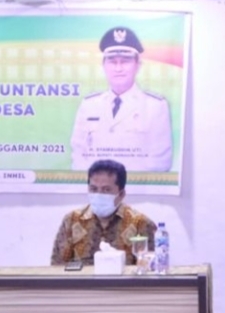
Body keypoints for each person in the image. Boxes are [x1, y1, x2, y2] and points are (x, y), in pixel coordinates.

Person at [70, 26, 173, 172]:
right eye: (112, 61)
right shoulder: (89, 105)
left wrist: (124, 182)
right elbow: (78, 154)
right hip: (96, 185)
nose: (118, 68)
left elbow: (160, 161)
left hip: (138, 185)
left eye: (125, 61)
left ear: (137, 65)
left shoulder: (155, 106)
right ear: (103, 65)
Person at [51, 159, 157, 265]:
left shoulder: (140, 223)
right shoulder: (72, 220)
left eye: (106, 190)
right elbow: (57, 266)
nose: (99, 195)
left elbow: (150, 269)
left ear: (121, 194)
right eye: (93, 189)